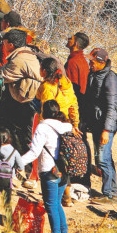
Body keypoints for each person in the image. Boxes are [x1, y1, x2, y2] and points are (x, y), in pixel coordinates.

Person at [21, 100, 73, 233]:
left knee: (51, 206)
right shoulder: (65, 126)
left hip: (49, 171)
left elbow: (34, 153)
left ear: (43, 112)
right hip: (64, 171)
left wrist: (17, 162)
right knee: (57, 204)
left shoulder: (43, 127)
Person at [0, 29, 42, 186]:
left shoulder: (18, 61)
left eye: (5, 42)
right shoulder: (27, 55)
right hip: (29, 102)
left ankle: (32, 175)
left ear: (11, 45)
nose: (3, 45)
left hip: (31, 104)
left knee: (29, 139)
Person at [35, 57, 81, 207]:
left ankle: (50, 197)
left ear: (45, 71)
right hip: (66, 126)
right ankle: (66, 196)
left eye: (41, 68)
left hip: (52, 128)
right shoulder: (66, 85)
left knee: (50, 162)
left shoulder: (48, 87)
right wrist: (75, 123)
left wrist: (43, 127)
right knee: (63, 161)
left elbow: (47, 110)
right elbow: (74, 104)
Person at [84, 48, 117, 204]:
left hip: (105, 126)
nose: (89, 63)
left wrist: (106, 130)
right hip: (97, 124)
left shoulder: (110, 78)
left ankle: (109, 194)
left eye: (92, 61)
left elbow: (111, 107)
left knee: (103, 159)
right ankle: (112, 192)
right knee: (105, 158)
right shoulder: (94, 75)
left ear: (101, 62)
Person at [64, 32, 92, 189]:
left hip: (75, 109)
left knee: (74, 143)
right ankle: (83, 178)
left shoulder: (73, 62)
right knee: (82, 142)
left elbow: (72, 89)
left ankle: (77, 179)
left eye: (70, 38)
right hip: (82, 108)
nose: (68, 40)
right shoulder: (81, 60)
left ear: (75, 44)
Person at [0, 127, 25, 225]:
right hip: (8, 180)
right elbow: (21, 167)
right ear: (9, 138)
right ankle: (9, 222)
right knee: (7, 202)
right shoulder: (14, 151)